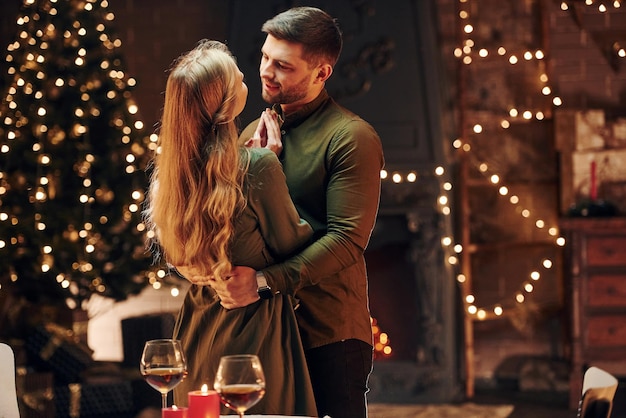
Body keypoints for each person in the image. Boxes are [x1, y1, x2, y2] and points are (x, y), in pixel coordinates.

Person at [208, 7, 385, 418]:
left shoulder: (352, 137)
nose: (266, 72)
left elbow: (346, 241)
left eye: (283, 66)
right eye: (266, 57)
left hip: (327, 332)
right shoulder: (251, 131)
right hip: (263, 331)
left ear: (322, 73)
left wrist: (265, 283)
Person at [143, 39, 318, 416]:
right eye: (237, 77)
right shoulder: (258, 167)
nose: (246, 76)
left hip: (193, 340)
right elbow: (296, 246)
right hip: (251, 349)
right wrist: (272, 168)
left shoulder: (168, 181)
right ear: (226, 104)